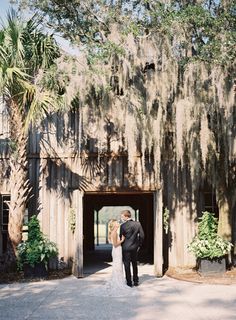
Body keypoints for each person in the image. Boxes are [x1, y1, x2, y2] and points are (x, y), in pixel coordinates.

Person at [82, 219, 137, 297]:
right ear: (114, 225)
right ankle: (117, 282)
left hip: (118, 250)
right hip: (117, 250)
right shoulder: (114, 233)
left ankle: (119, 280)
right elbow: (115, 244)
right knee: (118, 267)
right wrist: (122, 240)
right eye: (117, 223)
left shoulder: (115, 232)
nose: (118, 223)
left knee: (118, 267)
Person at [120, 210, 144, 287]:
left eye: (122, 216)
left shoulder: (123, 226)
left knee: (127, 265)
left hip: (125, 247)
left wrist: (122, 246)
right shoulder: (138, 224)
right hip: (134, 247)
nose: (122, 217)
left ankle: (129, 283)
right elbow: (142, 236)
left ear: (126, 216)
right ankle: (136, 281)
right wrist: (139, 245)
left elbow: (121, 237)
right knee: (134, 264)